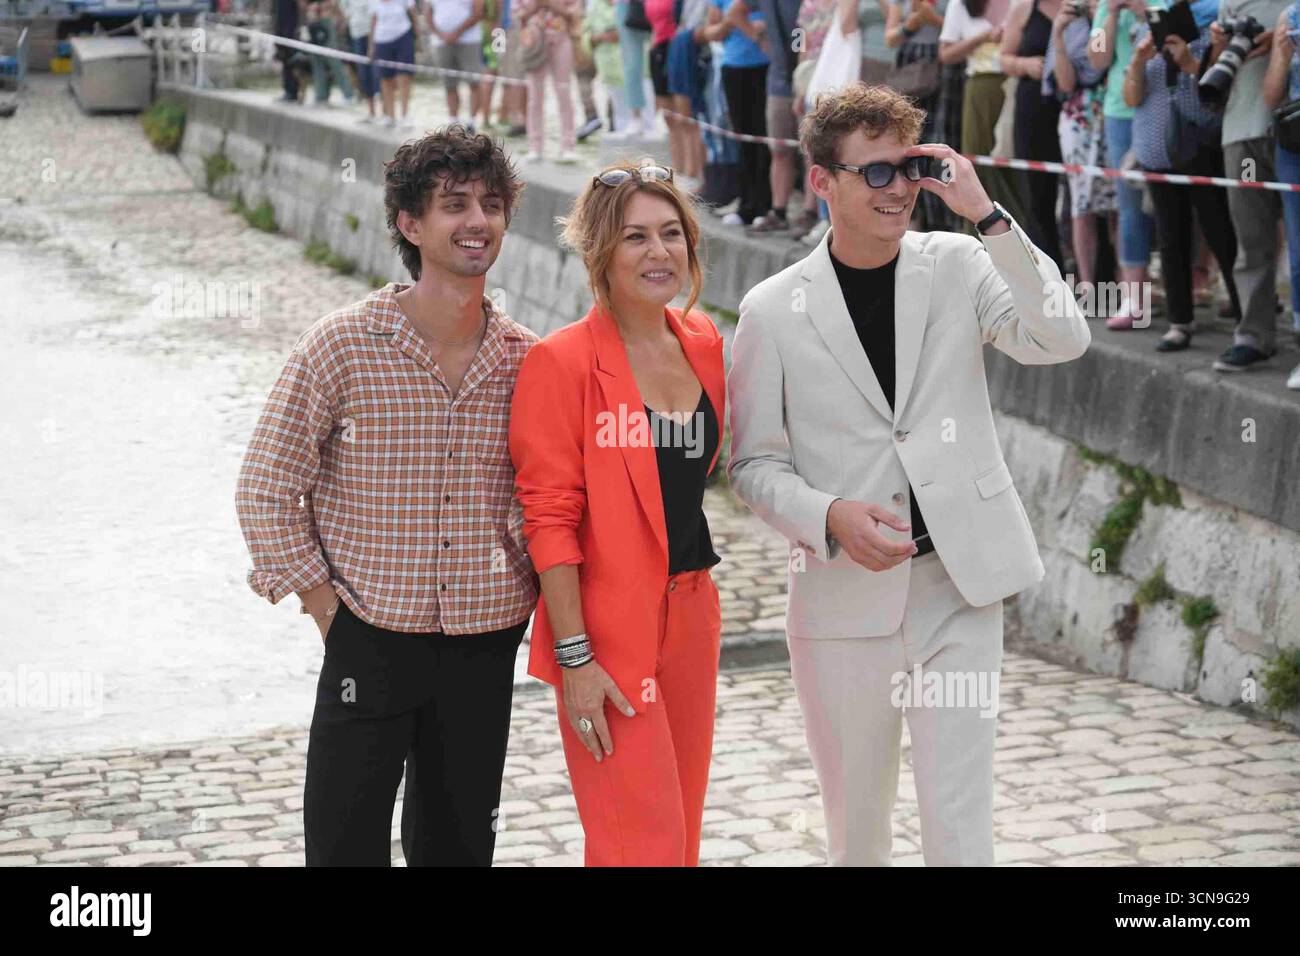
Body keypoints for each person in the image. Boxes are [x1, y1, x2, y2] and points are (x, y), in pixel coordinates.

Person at [727, 84, 1089, 866]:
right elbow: (751, 464)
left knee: (960, 823)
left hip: (960, 586)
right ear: (822, 181)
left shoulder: (961, 261)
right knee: (858, 829)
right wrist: (827, 515)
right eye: (877, 173)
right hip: (839, 605)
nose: (899, 191)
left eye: (909, 168)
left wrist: (987, 215)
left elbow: (1061, 336)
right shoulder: (771, 310)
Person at [235, 128, 539, 866]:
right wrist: (325, 606)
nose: (478, 221)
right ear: (410, 224)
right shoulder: (341, 346)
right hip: (367, 638)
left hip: (483, 642)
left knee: (460, 847)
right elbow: (266, 489)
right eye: (454, 205)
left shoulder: (528, 360)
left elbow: (549, 502)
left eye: (492, 204)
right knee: (342, 846)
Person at [509, 161, 727, 866]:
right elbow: (549, 520)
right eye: (635, 237)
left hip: (694, 612)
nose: (658, 252)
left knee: (682, 836)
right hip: (605, 631)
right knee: (640, 843)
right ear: (600, 251)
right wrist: (575, 659)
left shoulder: (704, 344)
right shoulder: (561, 363)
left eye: (671, 234)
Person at [1124, 5, 1243, 349]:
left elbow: (1218, 92)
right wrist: (1138, 60)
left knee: (1220, 232)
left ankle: (1244, 320)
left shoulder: (1213, 30)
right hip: (1155, 149)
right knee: (1169, 236)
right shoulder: (1143, 34)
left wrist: (1189, 60)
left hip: (1202, 146)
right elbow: (1131, 97)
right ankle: (1179, 322)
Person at [1208, 0, 1291, 371]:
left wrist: (1282, 41)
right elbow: (1211, 77)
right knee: (1251, 238)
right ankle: (1253, 336)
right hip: (1243, 133)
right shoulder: (1228, 5)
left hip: (1293, 129)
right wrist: (1217, 45)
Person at [939, 0, 1034, 232]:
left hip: (1020, 86)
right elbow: (946, 54)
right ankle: (979, 236)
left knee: (1018, 164)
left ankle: (1022, 235)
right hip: (981, 89)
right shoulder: (960, 5)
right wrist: (983, 38)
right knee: (979, 161)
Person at [1090, 0, 1154, 325]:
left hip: (1161, 105)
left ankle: (1183, 289)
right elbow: (1097, 59)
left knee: (1173, 203)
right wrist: (1113, 12)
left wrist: (1143, 10)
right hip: (1120, 111)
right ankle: (1134, 300)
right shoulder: (1107, 5)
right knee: (1128, 206)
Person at [1047, 0, 1116, 289]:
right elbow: (1064, 83)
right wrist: (1058, 32)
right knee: (1081, 202)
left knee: (1119, 203)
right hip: (1078, 114)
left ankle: (1129, 288)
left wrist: (1099, 16)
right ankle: (1087, 286)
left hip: (1114, 106)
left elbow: (1100, 61)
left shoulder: (1110, 12)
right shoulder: (1068, 21)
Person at [1000, 0, 1065, 267]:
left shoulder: (1088, 7)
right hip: (1034, 107)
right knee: (1039, 197)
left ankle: (1099, 277)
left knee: (1088, 206)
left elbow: (1101, 49)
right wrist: (1024, 65)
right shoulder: (1024, 8)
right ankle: (1048, 272)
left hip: (1078, 110)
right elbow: (1003, 57)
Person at [702, 0, 772, 224]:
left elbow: (794, 30)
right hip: (734, 66)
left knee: (765, 137)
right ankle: (747, 204)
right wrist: (730, 23)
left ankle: (766, 206)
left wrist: (750, 28)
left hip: (767, 67)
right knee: (742, 137)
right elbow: (710, 32)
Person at [886, 0, 954, 231]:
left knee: (939, 143)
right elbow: (891, 38)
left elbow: (959, 32)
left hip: (942, 67)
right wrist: (911, 25)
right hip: (909, 66)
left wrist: (933, 19)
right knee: (908, 143)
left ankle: (943, 221)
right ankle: (912, 217)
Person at [1263, 0, 1300, 387]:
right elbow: (1271, 96)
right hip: (1293, 144)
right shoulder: (1290, 17)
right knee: (1298, 249)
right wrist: (1282, 54)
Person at [516, 0, 581, 162]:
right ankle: (535, 145)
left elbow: (574, 14)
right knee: (534, 97)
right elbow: (518, 15)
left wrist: (551, 4)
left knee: (564, 92)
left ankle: (568, 145)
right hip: (534, 41)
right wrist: (536, 5)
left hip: (561, 38)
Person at [428, 0, 485, 128]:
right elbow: (428, 13)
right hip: (441, 42)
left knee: (474, 81)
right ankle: (453, 121)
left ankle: (472, 122)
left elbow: (478, 11)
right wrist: (441, 35)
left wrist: (456, 33)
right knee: (449, 83)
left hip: (469, 40)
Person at [370, 0, 419, 127]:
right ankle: (390, 115)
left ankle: (405, 115)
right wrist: (371, 46)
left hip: (403, 36)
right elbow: (373, 21)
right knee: (386, 78)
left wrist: (417, 36)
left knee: (403, 77)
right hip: (381, 40)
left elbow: (413, 13)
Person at [307, 0, 357, 105]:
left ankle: (349, 95)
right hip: (313, 23)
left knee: (334, 62)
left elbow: (334, 5)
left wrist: (339, 20)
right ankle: (321, 96)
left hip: (327, 23)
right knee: (317, 63)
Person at [343, 0, 381, 121]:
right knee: (363, 74)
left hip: (372, 34)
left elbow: (375, 14)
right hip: (356, 34)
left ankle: (386, 113)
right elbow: (346, 13)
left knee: (378, 74)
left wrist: (371, 43)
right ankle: (371, 112)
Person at [273, 0, 305, 104]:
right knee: (284, 58)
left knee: (291, 61)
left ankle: (292, 92)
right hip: (281, 30)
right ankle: (288, 90)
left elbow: (299, 7)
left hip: (290, 30)